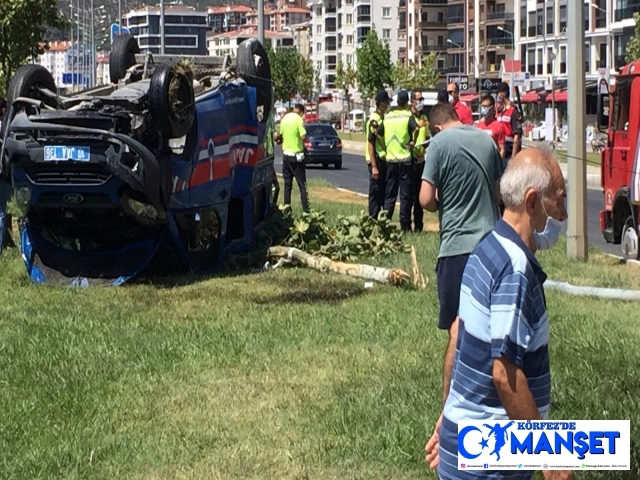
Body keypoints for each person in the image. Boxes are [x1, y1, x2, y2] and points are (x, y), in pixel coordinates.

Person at [424, 146, 572, 480]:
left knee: (600, 447)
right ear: (532, 202)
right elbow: (505, 374)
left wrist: (449, 416)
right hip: (489, 461)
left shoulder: (487, 247)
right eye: (559, 200)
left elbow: (458, 334)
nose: (562, 215)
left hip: (461, 442)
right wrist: (550, 455)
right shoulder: (515, 269)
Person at [419, 102, 504, 432]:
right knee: (492, 330)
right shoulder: (486, 140)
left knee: (458, 328)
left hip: (456, 249)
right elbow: (498, 195)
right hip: (491, 246)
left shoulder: (439, 145)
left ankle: (450, 414)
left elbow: (426, 199)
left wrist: (442, 201)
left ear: (437, 127)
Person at [376, 90, 419, 230]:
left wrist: (385, 147)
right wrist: (412, 141)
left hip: (390, 160)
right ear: (407, 102)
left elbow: (378, 134)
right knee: (405, 195)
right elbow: (416, 128)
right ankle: (405, 226)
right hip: (405, 159)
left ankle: (385, 224)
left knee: (390, 194)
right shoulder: (407, 115)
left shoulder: (388, 117)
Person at [279, 103, 309, 212]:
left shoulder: (285, 118)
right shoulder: (298, 119)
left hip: (286, 156)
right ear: (301, 112)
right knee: (302, 185)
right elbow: (303, 136)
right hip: (296, 157)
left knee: (287, 185)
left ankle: (287, 210)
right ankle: (306, 211)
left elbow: (280, 136)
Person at [366, 90, 390, 219]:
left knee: (382, 192)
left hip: (382, 159)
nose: (386, 106)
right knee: (375, 194)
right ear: (380, 104)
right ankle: (373, 220)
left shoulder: (382, 118)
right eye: (385, 103)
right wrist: (374, 166)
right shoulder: (374, 120)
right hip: (376, 160)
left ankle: (380, 221)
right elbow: (371, 143)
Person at [409, 89, 429, 232]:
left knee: (419, 196)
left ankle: (419, 226)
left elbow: (426, 136)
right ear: (412, 101)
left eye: (422, 99)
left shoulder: (424, 118)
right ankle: (406, 225)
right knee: (409, 195)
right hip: (410, 160)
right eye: (418, 99)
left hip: (422, 161)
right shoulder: (409, 118)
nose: (421, 101)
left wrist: (427, 142)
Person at [496, 82, 523, 160]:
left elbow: (517, 136)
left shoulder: (513, 111)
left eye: (498, 93)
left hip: (509, 149)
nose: (497, 96)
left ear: (503, 93)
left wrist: (513, 157)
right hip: (500, 148)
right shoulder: (500, 111)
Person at [476, 94, 506, 159]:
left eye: (485, 106)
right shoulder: (479, 126)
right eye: (482, 106)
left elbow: (502, 149)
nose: (483, 109)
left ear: (492, 108)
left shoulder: (498, 126)